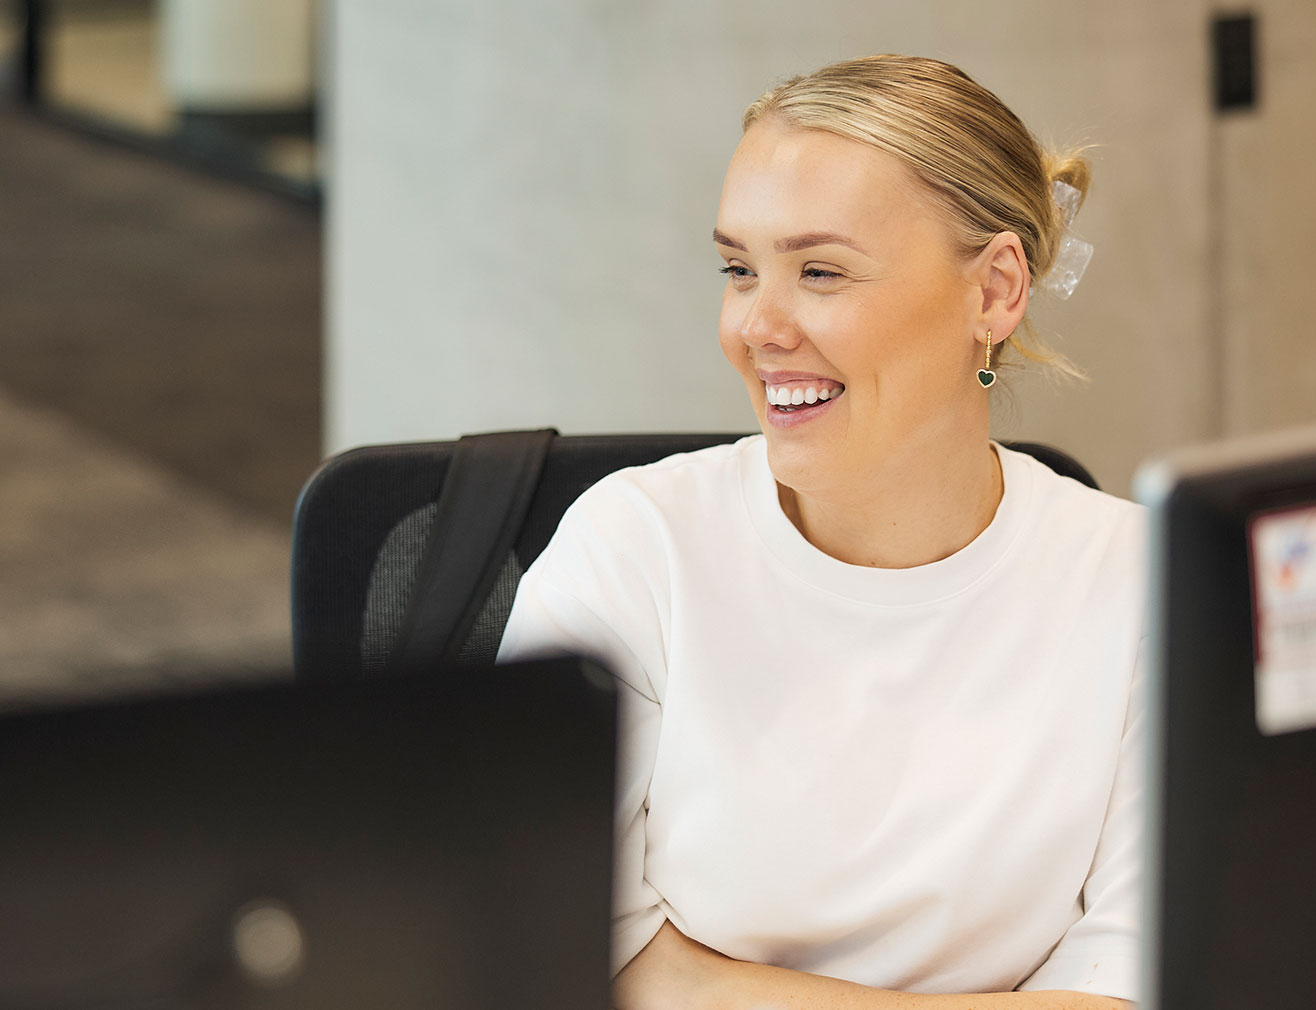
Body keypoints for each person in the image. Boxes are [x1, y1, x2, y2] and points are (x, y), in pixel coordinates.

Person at [498, 54, 1143, 1010]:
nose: (756, 325)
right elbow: (540, 943)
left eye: (821, 271)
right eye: (738, 268)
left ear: (996, 291)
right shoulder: (633, 550)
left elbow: (1149, 970)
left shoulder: (1141, 585)